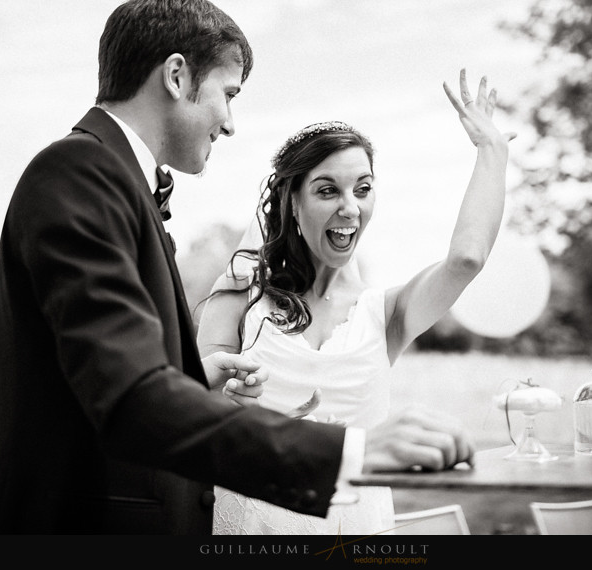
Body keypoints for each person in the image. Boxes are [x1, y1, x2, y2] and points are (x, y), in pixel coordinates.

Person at [0, 0, 477, 535]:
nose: (230, 122)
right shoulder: (81, 173)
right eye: (227, 94)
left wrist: (193, 379)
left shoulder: (113, 180)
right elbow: (130, 400)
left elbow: (100, 376)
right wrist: (349, 455)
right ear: (177, 76)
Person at [197, 69, 515, 535]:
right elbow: (188, 408)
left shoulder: (387, 313)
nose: (350, 207)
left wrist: (493, 152)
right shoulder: (241, 295)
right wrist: (230, 402)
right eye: (328, 190)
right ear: (291, 200)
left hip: (358, 528)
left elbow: (466, 259)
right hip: (254, 522)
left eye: (362, 189)